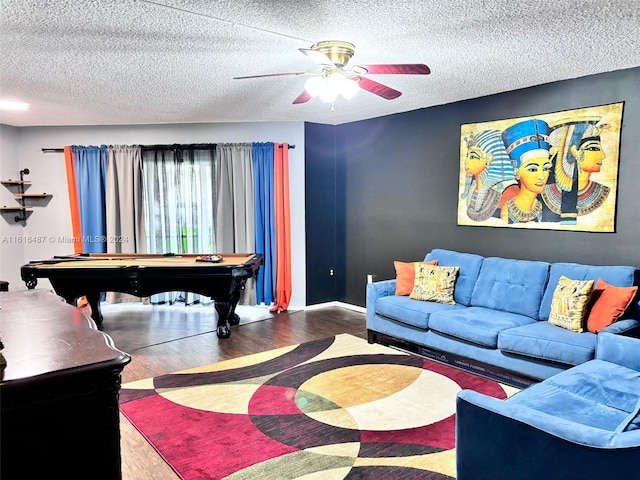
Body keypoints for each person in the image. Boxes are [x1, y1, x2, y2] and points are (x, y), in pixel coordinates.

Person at [541, 117, 610, 223]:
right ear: (574, 152)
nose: (602, 156)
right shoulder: (543, 193)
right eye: (593, 148)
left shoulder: (603, 191)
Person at [500, 119, 552, 224]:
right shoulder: (507, 210)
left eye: (545, 168)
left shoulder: (547, 207)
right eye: (533, 169)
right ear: (517, 173)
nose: (542, 176)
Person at [461, 129, 517, 222]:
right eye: (467, 156)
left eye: (473, 157)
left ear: (488, 160)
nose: (466, 161)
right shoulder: (474, 186)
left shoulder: (508, 190)